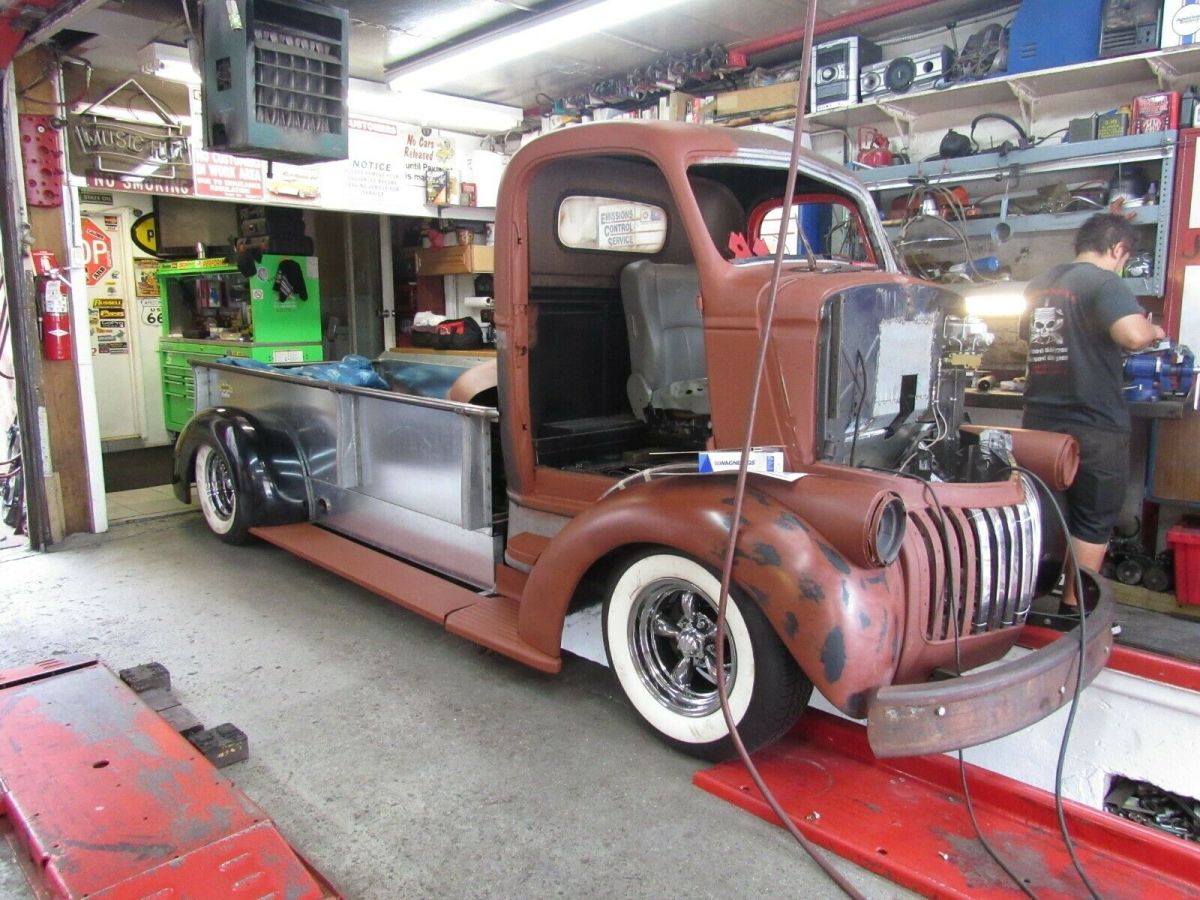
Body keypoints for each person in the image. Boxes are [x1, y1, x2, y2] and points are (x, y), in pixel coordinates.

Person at [1021, 213, 1165, 618]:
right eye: (1124, 258)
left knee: (1047, 514)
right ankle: (1075, 613)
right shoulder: (1105, 282)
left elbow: (1029, 344)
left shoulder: (1040, 284)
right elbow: (1134, 336)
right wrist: (1154, 331)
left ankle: (1023, 604)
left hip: (1039, 423)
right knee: (1093, 520)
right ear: (1118, 249)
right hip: (1094, 424)